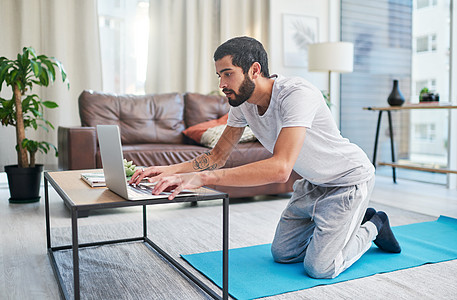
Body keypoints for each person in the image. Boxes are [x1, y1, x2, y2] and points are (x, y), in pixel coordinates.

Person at [130, 36, 401, 279]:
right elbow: (217, 156)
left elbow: (281, 168)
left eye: (227, 74)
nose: (222, 85)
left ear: (254, 70)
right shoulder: (242, 104)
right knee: (283, 254)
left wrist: (201, 178)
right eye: (219, 76)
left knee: (320, 268)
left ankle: (374, 225)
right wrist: (166, 170)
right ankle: (340, 225)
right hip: (312, 184)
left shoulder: (297, 94)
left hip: (348, 181)